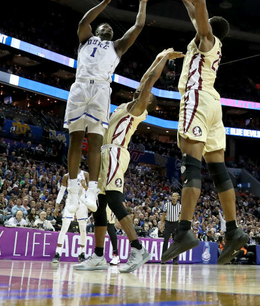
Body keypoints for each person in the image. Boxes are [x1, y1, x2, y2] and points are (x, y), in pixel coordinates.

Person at [160, 0, 249, 265]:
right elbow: (195, 10)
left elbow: (199, 0)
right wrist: (185, 2)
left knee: (191, 164)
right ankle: (234, 230)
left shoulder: (205, 38)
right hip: (213, 104)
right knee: (219, 170)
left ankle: (184, 230)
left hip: (196, 99)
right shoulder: (212, 43)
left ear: (208, 26)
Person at [77, 48, 183, 273]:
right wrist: (156, 56)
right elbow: (145, 79)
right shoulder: (129, 105)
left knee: (115, 201)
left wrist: (164, 60)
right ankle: (97, 256)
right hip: (105, 153)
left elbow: (149, 83)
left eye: (145, 94)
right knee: (99, 207)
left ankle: (138, 249)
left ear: (147, 102)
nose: (141, 90)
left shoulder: (137, 109)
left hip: (116, 153)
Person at [61, 0, 150, 216]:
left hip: (101, 90)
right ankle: (72, 191)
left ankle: (91, 190)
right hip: (80, 87)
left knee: (95, 143)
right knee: (74, 140)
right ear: (97, 30)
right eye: (104, 25)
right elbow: (84, 20)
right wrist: (104, 3)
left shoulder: (117, 46)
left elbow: (138, 26)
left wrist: (143, 1)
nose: (108, 26)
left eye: (110, 26)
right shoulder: (85, 38)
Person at [53, 169, 90, 263]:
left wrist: (84, 186)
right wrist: (56, 206)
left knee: (83, 228)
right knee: (64, 226)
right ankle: (57, 253)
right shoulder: (66, 176)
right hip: (70, 201)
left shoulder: (85, 174)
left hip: (82, 202)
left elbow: (90, 191)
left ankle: (81, 253)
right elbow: (61, 191)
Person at [161, 192, 182, 264]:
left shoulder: (179, 206)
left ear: (177, 198)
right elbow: (163, 215)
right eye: (172, 196)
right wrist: (161, 223)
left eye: (175, 196)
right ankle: (163, 258)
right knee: (165, 241)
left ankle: (175, 259)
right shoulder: (167, 205)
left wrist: (179, 224)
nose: (173, 197)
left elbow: (180, 216)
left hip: (175, 224)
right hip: (168, 224)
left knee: (175, 242)